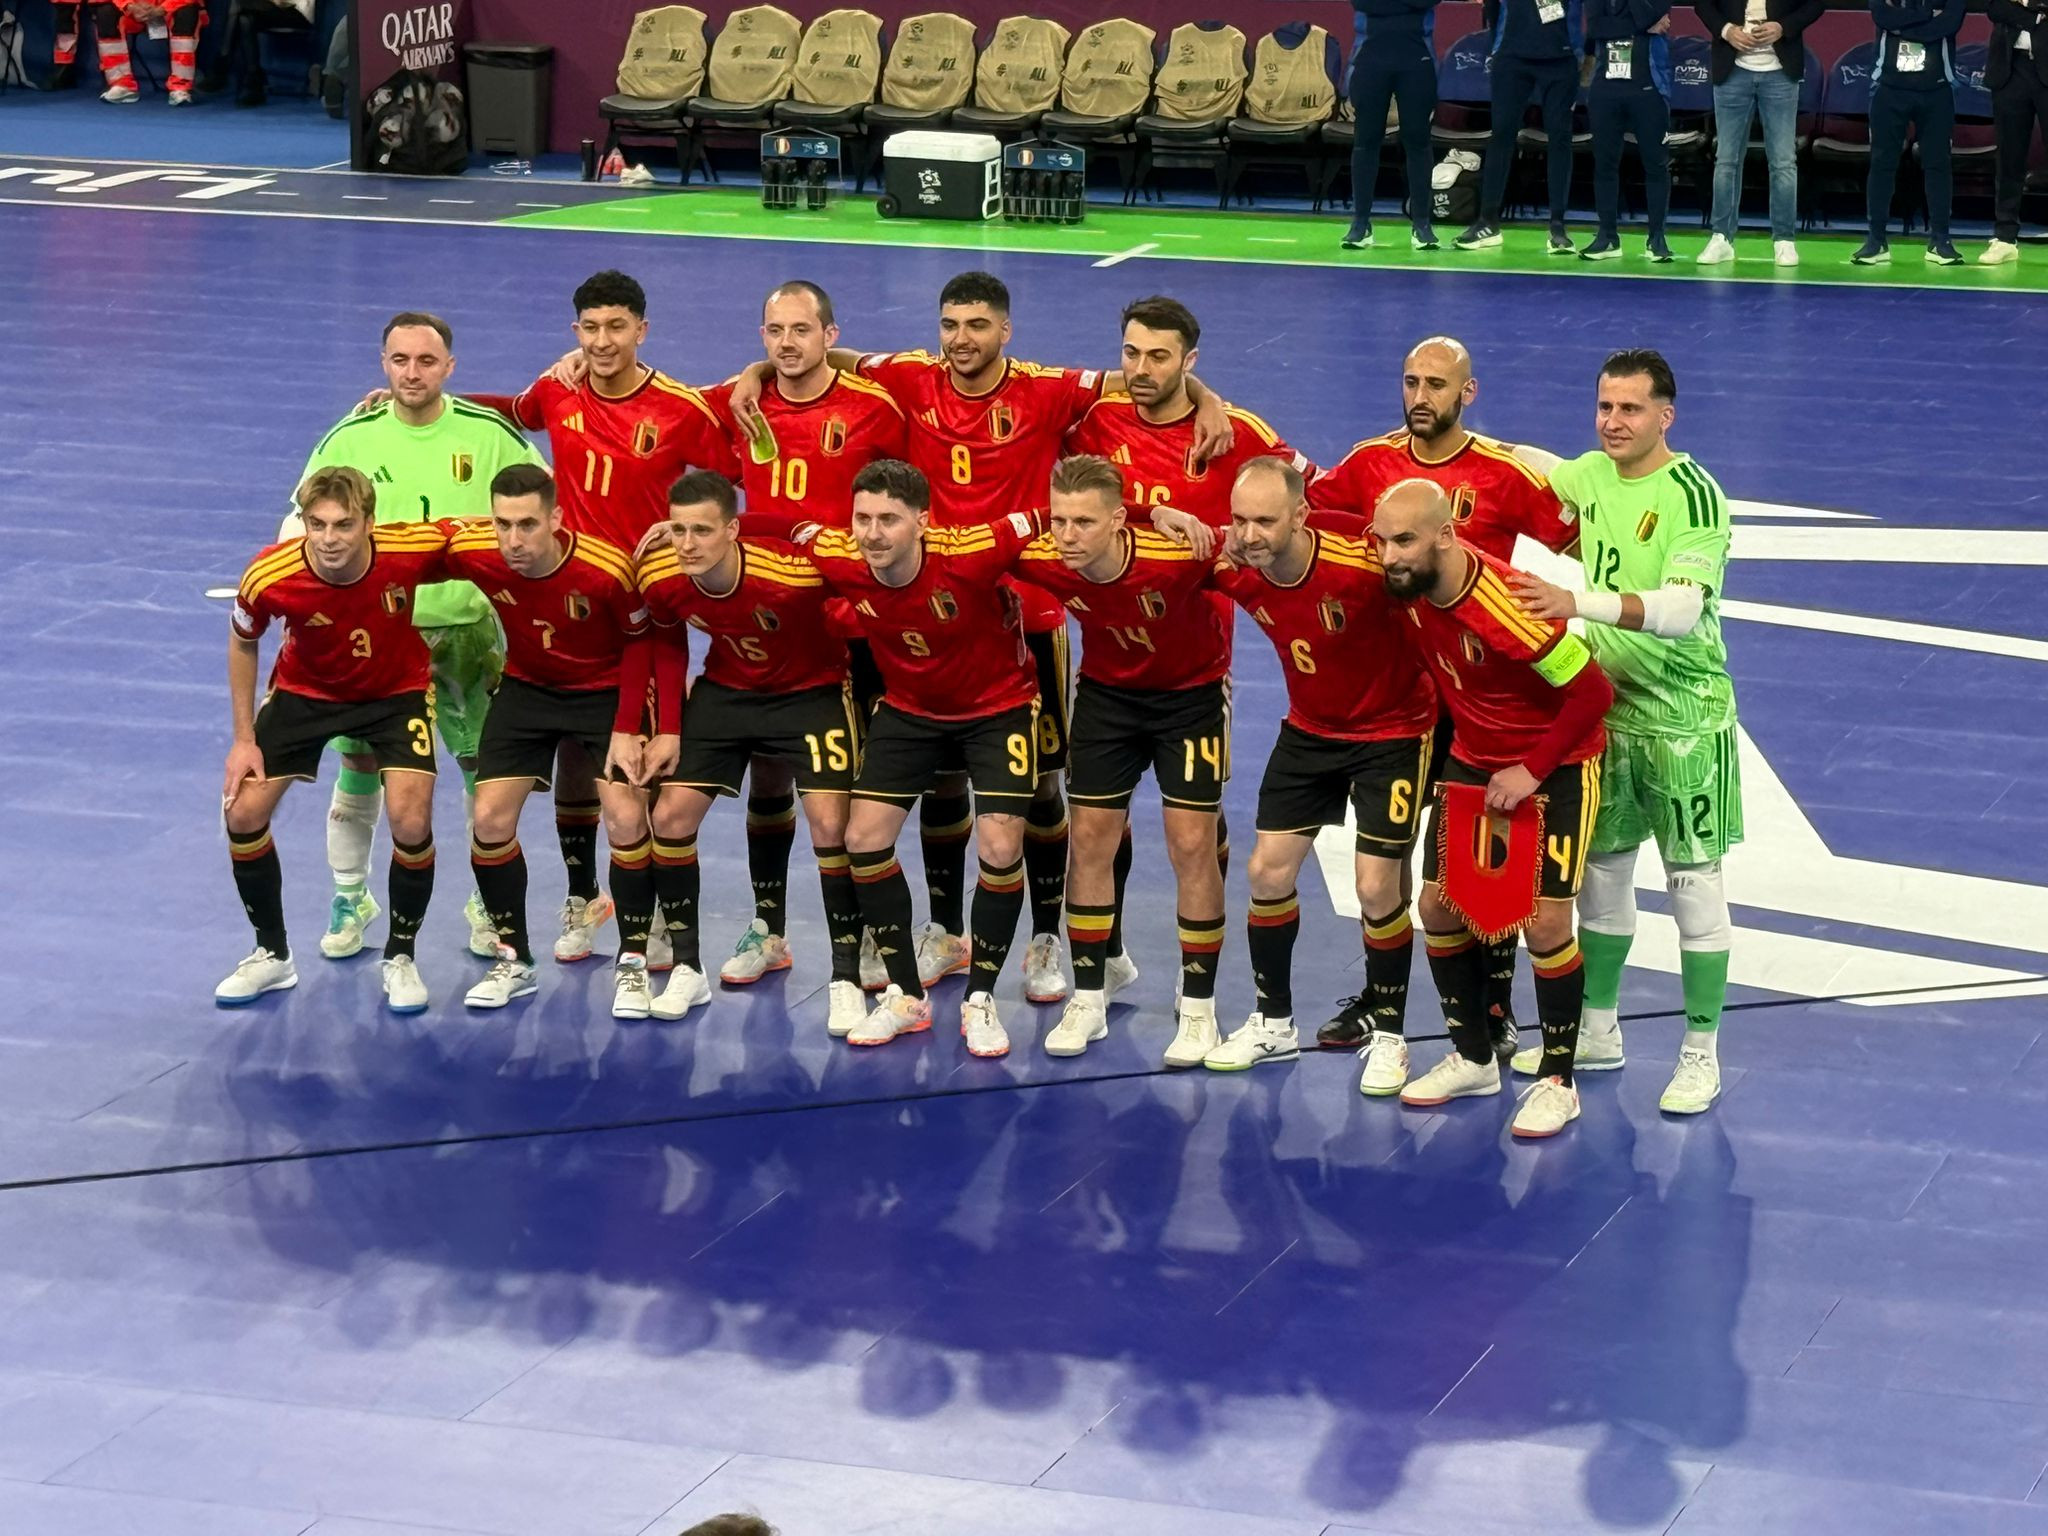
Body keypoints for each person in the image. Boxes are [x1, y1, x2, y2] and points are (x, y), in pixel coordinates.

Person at [728, 271, 1236, 1008]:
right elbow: (827, 356)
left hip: (1026, 611)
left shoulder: (1047, 388)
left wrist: (1212, 397)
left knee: (1044, 785)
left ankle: (1049, 936)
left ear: (1005, 330)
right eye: (949, 325)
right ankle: (943, 928)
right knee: (935, 770)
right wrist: (753, 371)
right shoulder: (910, 375)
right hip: (919, 608)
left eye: (976, 325)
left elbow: (1141, 381)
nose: (961, 339)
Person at [1308, 336, 1578, 1056]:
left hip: (1477, 704)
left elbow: (1586, 542)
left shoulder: (1504, 473)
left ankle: (1495, 1010)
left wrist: (1615, 607)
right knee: (1389, 857)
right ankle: (1380, 999)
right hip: (1397, 696)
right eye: (1410, 382)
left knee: (1485, 867)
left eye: (1436, 383)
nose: (1420, 396)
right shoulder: (1370, 463)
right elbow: (1305, 522)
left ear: (1468, 392)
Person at [462, 271, 739, 965]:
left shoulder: (680, 410)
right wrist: (434, 398)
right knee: (572, 767)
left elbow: (726, 489)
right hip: (566, 606)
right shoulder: (560, 388)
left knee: (636, 782)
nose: (602, 341)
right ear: (575, 332)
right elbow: (514, 411)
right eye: (589, 328)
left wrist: (677, 534)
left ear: (642, 330)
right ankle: (583, 897)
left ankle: (655, 916)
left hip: (645, 615)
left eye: (616, 327)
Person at [1506, 350, 1740, 1115]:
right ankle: (1599, 1029)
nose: (1614, 422)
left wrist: (1577, 604)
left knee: (1693, 886)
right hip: (1609, 712)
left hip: (1684, 718)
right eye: (1605, 406)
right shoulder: (1592, 472)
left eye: (1631, 409)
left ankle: (1701, 1051)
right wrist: (1457, 437)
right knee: (1602, 876)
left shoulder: (1694, 496)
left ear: (1664, 415)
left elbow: (1677, 611)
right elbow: (1537, 464)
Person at [1064, 294, 1314, 973]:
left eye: (1160, 357)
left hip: (1197, 668)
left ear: (1190, 361)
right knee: (1094, 824)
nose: (1142, 369)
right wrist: (1154, 507)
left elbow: (1309, 496)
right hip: (1109, 664)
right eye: (1131, 353)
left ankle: (1198, 985)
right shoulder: (1092, 418)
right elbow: (1060, 496)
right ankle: (1104, 960)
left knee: (1194, 834)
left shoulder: (1237, 434)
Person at [290, 311, 542, 965]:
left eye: (426, 362)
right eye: (400, 360)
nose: (412, 373)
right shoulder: (351, 435)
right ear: (383, 364)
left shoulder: (491, 436)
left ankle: (488, 906)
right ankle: (351, 898)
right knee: (361, 763)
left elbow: (536, 519)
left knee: (482, 766)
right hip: (376, 634)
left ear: (449, 368)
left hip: (468, 631)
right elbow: (302, 528)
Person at [1372, 478, 1613, 1139]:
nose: (1388, 555)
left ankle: (1559, 1081)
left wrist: (1531, 770)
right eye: (1381, 540)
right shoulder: (1411, 586)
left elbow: (1593, 694)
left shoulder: (1507, 606)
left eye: (1403, 540)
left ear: (1447, 537)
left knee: (1542, 921)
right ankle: (1475, 1056)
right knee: (1440, 906)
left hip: (1557, 762)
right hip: (1473, 759)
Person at [695, 280, 906, 987]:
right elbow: (653, 400)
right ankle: (770, 928)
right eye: (775, 332)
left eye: (802, 330)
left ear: (829, 335)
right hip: (769, 620)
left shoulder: (873, 408)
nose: (788, 343)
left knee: (861, 788)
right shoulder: (741, 403)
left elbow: (908, 503)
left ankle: (876, 929)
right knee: (768, 773)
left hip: (854, 623)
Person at [1203, 460, 1439, 1087]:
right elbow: (1153, 540)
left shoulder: (1366, 562)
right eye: (1239, 520)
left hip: (1394, 732)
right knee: (1266, 872)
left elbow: (1443, 583)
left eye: (1265, 521)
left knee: (1375, 887)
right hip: (1309, 730)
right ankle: (1273, 1024)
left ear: (1302, 517)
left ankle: (1389, 1034)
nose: (1248, 535)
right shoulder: (1235, 568)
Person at [800, 460, 1047, 1058]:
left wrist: (1154, 513)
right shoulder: (841, 556)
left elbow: (1055, 515)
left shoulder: (971, 552)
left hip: (1000, 709)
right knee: (862, 840)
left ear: (922, 522)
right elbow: (782, 526)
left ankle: (981, 997)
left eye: (889, 519)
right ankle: (907, 996)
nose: (873, 532)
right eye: (863, 518)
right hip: (910, 711)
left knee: (999, 846)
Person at [443, 465, 682, 1019]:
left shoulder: (606, 570)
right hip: (528, 688)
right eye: (502, 524)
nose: (513, 540)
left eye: (527, 524)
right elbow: (408, 555)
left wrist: (627, 726)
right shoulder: (479, 552)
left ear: (556, 518)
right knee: (489, 820)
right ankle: (515, 958)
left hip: (605, 690)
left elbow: (641, 643)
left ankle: (633, 960)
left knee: (625, 818)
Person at [1015, 455, 1230, 1067]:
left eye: (1084, 522)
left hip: (1190, 701)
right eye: (1058, 521)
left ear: (1117, 521)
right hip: (1108, 700)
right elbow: (963, 546)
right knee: (1089, 840)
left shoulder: (1180, 554)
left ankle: (1198, 1008)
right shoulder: (1046, 558)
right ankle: (1088, 995)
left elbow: (1261, 553)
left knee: (1191, 844)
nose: (1067, 535)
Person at [639, 470, 869, 1030]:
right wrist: (669, 725)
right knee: (669, 816)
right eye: (678, 530)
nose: (688, 544)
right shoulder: (663, 574)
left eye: (702, 531)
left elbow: (864, 595)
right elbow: (664, 637)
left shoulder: (795, 575)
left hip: (810, 692)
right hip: (729, 690)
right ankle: (690, 967)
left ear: (733, 531)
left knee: (831, 830)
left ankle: (846, 976)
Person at [219, 468, 448, 1013]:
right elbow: (242, 641)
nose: (328, 539)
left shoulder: (408, 550)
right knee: (243, 812)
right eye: (316, 524)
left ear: (369, 523)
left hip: (397, 692)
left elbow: (482, 539)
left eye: (344, 525)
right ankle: (272, 955)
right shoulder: (270, 573)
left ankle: (401, 956)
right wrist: (243, 740)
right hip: (307, 691)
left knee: (411, 819)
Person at [1694, 0, 1825, 267]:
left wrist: (1783, 27)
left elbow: (1815, 4)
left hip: (1780, 72)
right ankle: (1721, 237)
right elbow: (1703, 4)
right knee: (1727, 159)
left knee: (1783, 161)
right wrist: (1726, 30)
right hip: (1732, 71)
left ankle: (1784, 240)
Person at [1455, 0, 1584, 253]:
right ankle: (1487, 222)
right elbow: (1492, 7)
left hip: (1561, 56)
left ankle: (1558, 227)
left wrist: (1582, 50)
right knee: (1501, 134)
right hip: (1511, 56)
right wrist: (1498, 43)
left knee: (1559, 138)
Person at [1854, 0, 1967, 267]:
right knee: (1882, 163)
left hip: (1938, 89)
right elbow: (1882, 16)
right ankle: (1876, 240)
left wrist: (1904, 24)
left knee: (1938, 164)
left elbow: (1949, 23)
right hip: (1889, 88)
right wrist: (1927, 15)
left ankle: (1940, 240)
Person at [1342, 0, 1444, 249]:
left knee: (1418, 139)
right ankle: (1361, 224)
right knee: (1365, 140)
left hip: (1417, 57)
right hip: (1369, 57)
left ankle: (1422, 224)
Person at [1582, 0, 1676, 262]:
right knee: (1604, 164)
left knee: (1656, 164)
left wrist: (1635, 24)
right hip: (1605, 88)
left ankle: (1656, 237)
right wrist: (1642, 27)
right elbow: (1596, 29)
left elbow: (1650, 12)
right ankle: (1607, 237)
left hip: (1649, 87)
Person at [1981, 0, 2048, 264]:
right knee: (2009, 157)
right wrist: (2036, 16)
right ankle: (2005, 237)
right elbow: (1995, 7)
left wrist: (2026, 3)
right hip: (2009, 71)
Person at [54, 0, 204, 103]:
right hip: (131, 11)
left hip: (169, 10)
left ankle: (181, 87)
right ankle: (122, 84)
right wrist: (129, 5)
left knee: (188, 12)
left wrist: (163, 9)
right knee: (106, 12)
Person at [198, 0, 310, 107]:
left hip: (296, 12)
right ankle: (253, 83)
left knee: (238, 5)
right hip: (265, 9)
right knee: (245, 19)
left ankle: (223, 67)